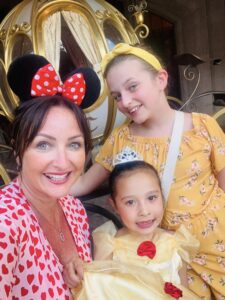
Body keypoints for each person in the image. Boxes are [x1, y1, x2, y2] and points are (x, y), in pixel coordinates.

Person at [70, 43, 225, 299]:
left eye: (133, 87)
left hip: (217, 244)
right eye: (117, 95)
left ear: (161, 79)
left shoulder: (203, 127)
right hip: (168, 256)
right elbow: (82, 184)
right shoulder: (121, 138)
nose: (125, 101)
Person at [0, 54, 100, 299]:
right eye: (44, 145)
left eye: (74, 145)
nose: (63, 162)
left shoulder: (74, 208)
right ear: (18, 150)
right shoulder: (5, 224)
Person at [65, 161, 200, 299]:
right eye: (130, 202)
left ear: (162, 196)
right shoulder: (110, 247)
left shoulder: (175, 242)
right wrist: (78, 276)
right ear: (114, 205)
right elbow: (99, 290)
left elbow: (184, 290)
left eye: (151, 198)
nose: (144, 211)